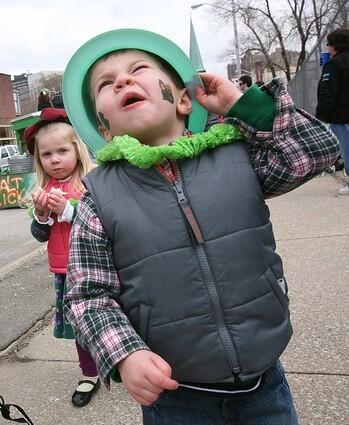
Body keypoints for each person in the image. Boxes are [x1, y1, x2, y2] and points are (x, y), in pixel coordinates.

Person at [62, 29, 339, 425]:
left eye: (138, 69)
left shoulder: (237, 157)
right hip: (175, 397)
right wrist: (124, 354)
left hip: (264, 384)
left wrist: (245, 107)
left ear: (183, 100)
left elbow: (316, 152)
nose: (122, 80)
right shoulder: (98, 199)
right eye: (106, 84)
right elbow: (88, 295)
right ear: (105, 130)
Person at [23, 108, 100, 408]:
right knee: (79, 325)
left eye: (62, 151)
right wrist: (42, 215)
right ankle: (89, 373)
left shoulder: (92, 182)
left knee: (113, 314)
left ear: (78, 149)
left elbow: (103, 222)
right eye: (46, 154)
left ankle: (121, 359)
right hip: (65, 270)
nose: (54, 159)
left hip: (97, 265)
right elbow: (40, 235)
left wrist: (67, 211)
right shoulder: (42, 190)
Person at [316, 28, 349, 194]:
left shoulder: (334, 64)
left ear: (335, 45)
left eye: (329, 44)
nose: (328, 48)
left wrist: (320, 116)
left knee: (347, 147)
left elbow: (328, 92)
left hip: (342, 115)